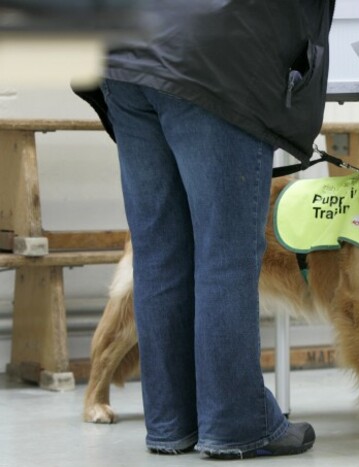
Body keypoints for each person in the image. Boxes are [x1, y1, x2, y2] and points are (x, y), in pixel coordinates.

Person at [77, 0, 335, 459]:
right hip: (215, 58)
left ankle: (171, 424)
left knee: (159, 254)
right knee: (226, 257)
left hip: (123, 50)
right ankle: (238, 425)